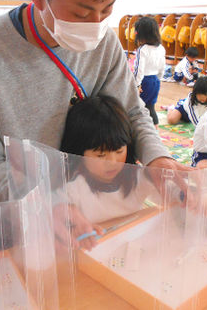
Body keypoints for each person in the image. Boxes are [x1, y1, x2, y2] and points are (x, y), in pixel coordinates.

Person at [0, 0, 191, 249]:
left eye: (107, 9)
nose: (96, 25)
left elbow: (132, 112)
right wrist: (43, 205)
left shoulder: (105, 42)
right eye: (82, 14)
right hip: (15, 219)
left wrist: (157, 159)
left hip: (91, 211)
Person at [60, 95, 161, 226]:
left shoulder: (137, 178)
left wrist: (186, 194)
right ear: (79, 153)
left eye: (119, 151)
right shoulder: (73, 189)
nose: (113, 162)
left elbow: (170, 189)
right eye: (101, 155)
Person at [133, 16, 166, 126]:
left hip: (144, 82)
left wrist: (136, 85)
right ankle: (155, 133)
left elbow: (139, 71)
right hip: (155, 81)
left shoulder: (142, 50)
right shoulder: (161, 48)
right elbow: (162, 67)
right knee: (151, 108)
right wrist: (158, 79)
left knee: (138, 109)